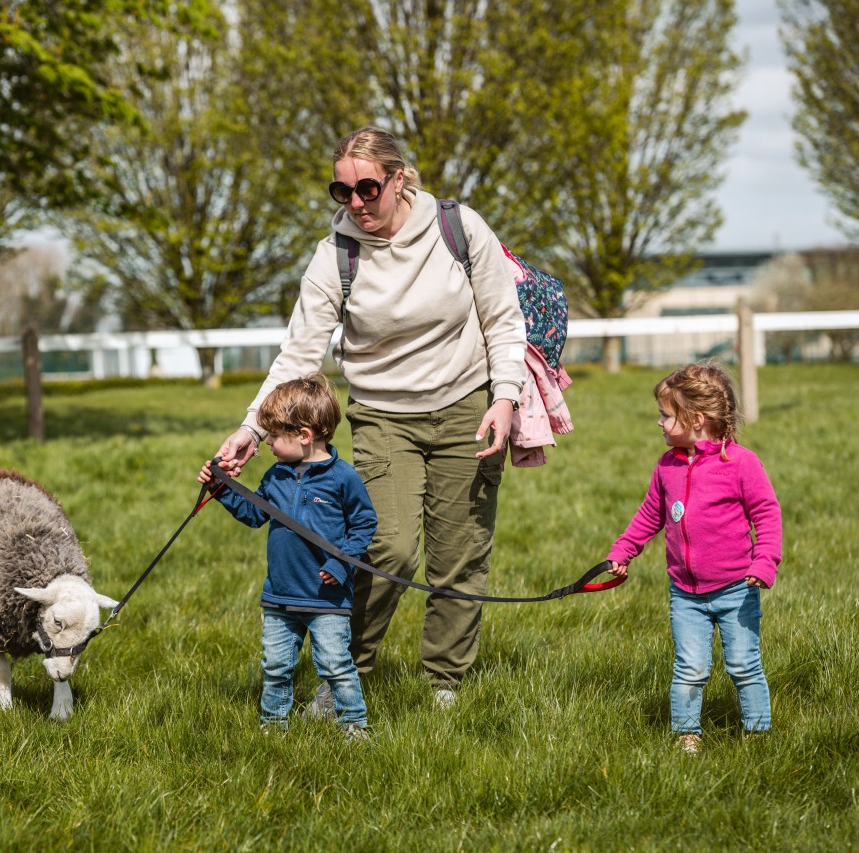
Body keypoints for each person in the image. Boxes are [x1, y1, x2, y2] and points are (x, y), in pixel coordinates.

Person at [209, 126, 526, 708]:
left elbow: (503, 318)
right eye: (342, 191)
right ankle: (342, 674)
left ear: (399, 179)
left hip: (467, 408)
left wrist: (505, 396)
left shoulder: (459, 228)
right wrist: (253, 427)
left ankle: (444, 684)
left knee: (460, 555)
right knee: (386, 548)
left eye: (368, 188)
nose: (356, 203)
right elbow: (300, 352)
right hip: (383, 414)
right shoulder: (337, 252)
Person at [605, 363, 782, 753]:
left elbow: (767, 514)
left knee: (743, 664)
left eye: (667, 416)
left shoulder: (741, 464)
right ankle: (686, 735)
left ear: (696, 419)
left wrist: (765, 561)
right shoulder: (666, 467)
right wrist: (623, 551)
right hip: (685, 594)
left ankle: (757, 734)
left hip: (738, 588)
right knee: (690, 668)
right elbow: (649, 515)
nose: (660, 423)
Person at [199, 374, 377, 739]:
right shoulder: (276, 475)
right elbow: (254, 514)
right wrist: (219, 487)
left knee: (335, 665)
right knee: (276, 665)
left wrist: (340, 563)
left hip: (327, 599)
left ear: (305, 436)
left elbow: (364, 525)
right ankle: (273, 728)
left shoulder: (344, 479)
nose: (269, 444)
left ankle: (353, 726)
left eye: (275, 436)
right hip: (280, 595)